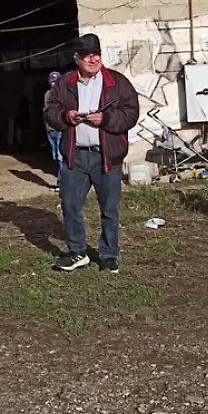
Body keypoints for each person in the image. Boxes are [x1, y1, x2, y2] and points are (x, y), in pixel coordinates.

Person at [44, 33, 140, 274]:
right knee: (70, 205)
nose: (93, 59)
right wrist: (66, 117)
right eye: (87, 56)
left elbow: (131, 113)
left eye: (96, 54)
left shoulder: (117, 82)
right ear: (77, 59)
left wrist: (106, 119)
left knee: (109, 209)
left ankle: (109, 254)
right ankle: (77, 251)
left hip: (107, 157)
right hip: (74, 156)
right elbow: (50, 112)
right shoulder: (65, 84)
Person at [44, 72, 63, 192]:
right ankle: (62, 180)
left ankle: (63, 183)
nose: (54, 83)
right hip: (50, 129)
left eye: (56, 81)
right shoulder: (47, 94)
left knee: (61, 156)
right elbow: (46, 111)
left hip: (61, 129)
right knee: (55, 155)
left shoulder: (65, 94)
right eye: (52, 81)